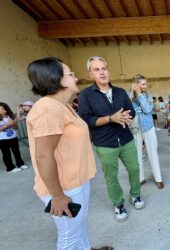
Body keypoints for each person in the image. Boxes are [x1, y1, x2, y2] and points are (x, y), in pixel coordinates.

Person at [26, 57, 112, 250]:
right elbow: (44, 155)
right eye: (70, 74)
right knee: (68, 238)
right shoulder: (47, 108)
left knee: (79, 225)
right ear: (56, 79)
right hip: (64, 188)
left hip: (76, 181)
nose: (76, 77)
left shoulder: (62, 105)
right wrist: (57, 196)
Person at [79, 56, 144, 222]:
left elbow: (132, 111)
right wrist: (111, 118)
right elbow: (86, 119)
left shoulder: (120, 92)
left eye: (104, 68)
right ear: (91, 74)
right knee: (111, 177)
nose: (102, 72)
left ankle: (135, 195)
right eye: (97, 69)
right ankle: (118, 203)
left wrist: (126, 117)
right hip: (105, 143)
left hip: (125, 138)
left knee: (135, 169)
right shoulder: (86, 95)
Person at [131, 74, 164, 190]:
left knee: (152, 152)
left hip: (148, 127)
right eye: (143, 84)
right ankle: (140, 178)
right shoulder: (128, 97)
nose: (146, 86)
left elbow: (147, 109)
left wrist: (140, 95)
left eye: (146, 83)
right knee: (137, 154)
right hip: (135, 128)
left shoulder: (149, 97)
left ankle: (158, 178)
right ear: (136, 85)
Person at [0, 102, 29, 173]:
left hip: (13, 137)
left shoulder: (9, 116)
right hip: (2, 139)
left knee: (16, 152)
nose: (4, 110)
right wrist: (7, 125)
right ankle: (10, 168)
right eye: (2, 109)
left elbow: (16, 128)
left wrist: (13, 124)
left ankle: (20, 163)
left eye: (5, 109)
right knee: (6, 153)